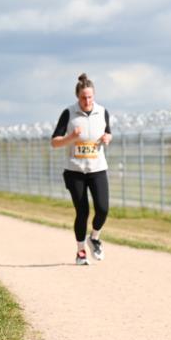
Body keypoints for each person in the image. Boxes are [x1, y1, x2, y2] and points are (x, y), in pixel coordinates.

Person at [50, 73, 113, 266]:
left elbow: (108, 132)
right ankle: (81, 252)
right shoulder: (69, 113)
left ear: (94, 96)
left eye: (90, 97)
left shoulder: (102, 112)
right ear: (77, 97)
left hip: (97, 168)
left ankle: (94, 237)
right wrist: (71, 138)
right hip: (75, 171)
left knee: (102, 208)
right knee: (82, 211)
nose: (87, 101)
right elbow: (54, 142)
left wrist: (107, 138)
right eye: (83, 98)